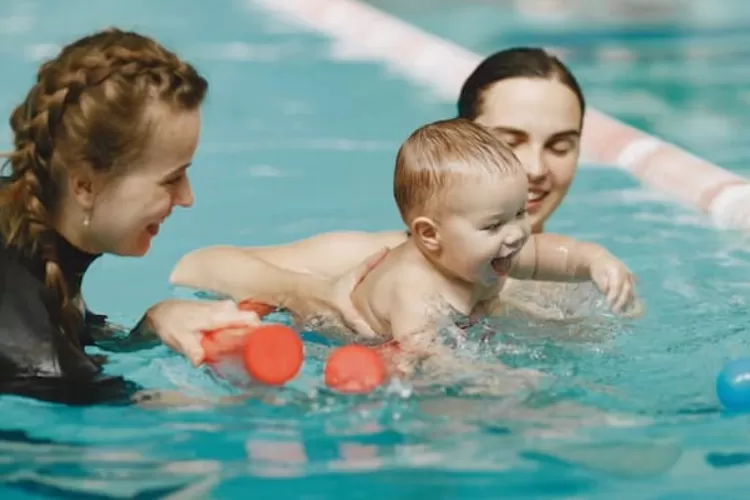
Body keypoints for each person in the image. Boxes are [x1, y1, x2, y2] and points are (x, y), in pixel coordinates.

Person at [168, 47, 614, 327]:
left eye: (560, 145)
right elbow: (195, 267)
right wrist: (311, 294)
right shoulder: (384, 261)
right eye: (509, 141)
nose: (536, 168)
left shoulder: (579, 284)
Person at [0, 28, 319, 405]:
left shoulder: (27, 236)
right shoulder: (37, 356)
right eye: (171, 179)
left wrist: (154, 324)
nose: (187, 198)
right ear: (84, 186)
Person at [350, 118, 634, 375]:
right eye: (493, 226)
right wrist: (492, 378)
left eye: (520, 213)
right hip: (365, 343)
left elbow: (557, 256)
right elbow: (429, 358)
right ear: (430, 234)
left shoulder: (489, 252)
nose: (516, 234)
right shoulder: (413, 290)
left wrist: (595, 261)